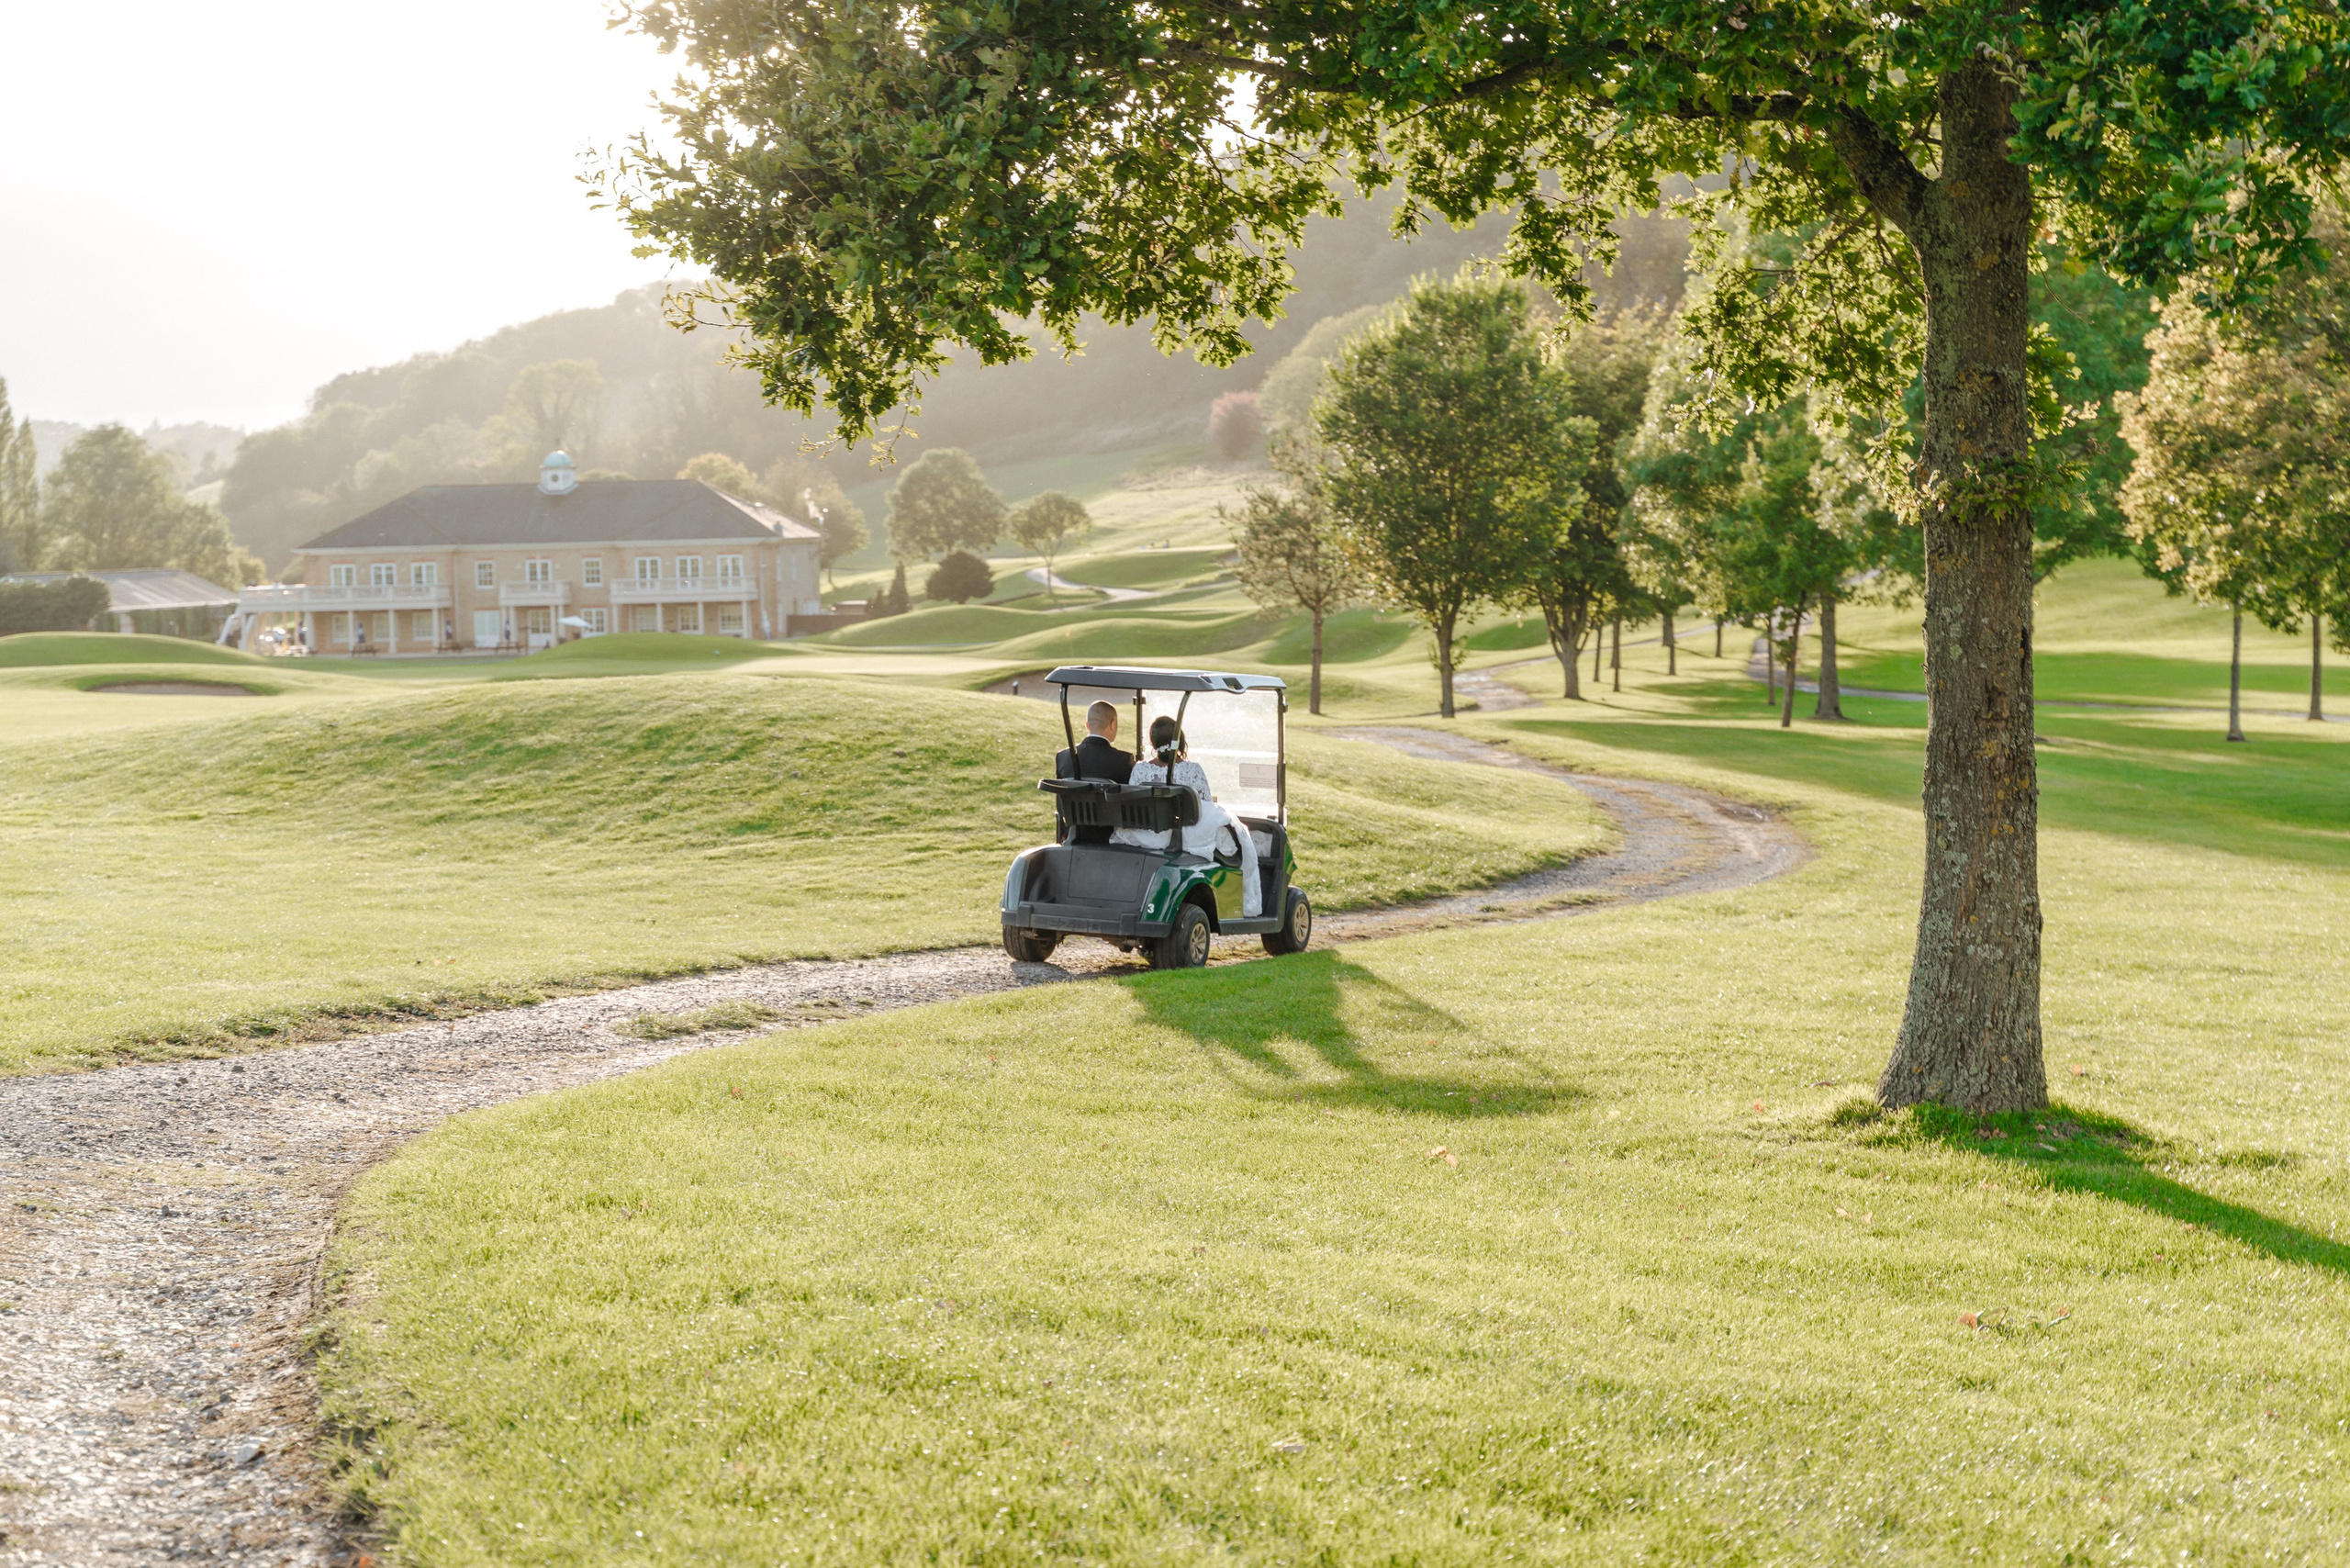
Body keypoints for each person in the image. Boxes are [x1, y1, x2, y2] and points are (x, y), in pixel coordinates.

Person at [1116, 716, 1262, 917]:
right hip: (1183, 833)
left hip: (1149, 834)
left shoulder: (1140, 770)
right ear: (1181, 739)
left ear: (1153, 742)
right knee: (1237, 837)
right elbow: (1205, 805)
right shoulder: (1193, 770)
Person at [1054, 700, 1132, 845]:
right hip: (1110, 836)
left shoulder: (1063, 757)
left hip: (1074, 834)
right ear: (1113, 724)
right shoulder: (1123, 760)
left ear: (1087, 725)